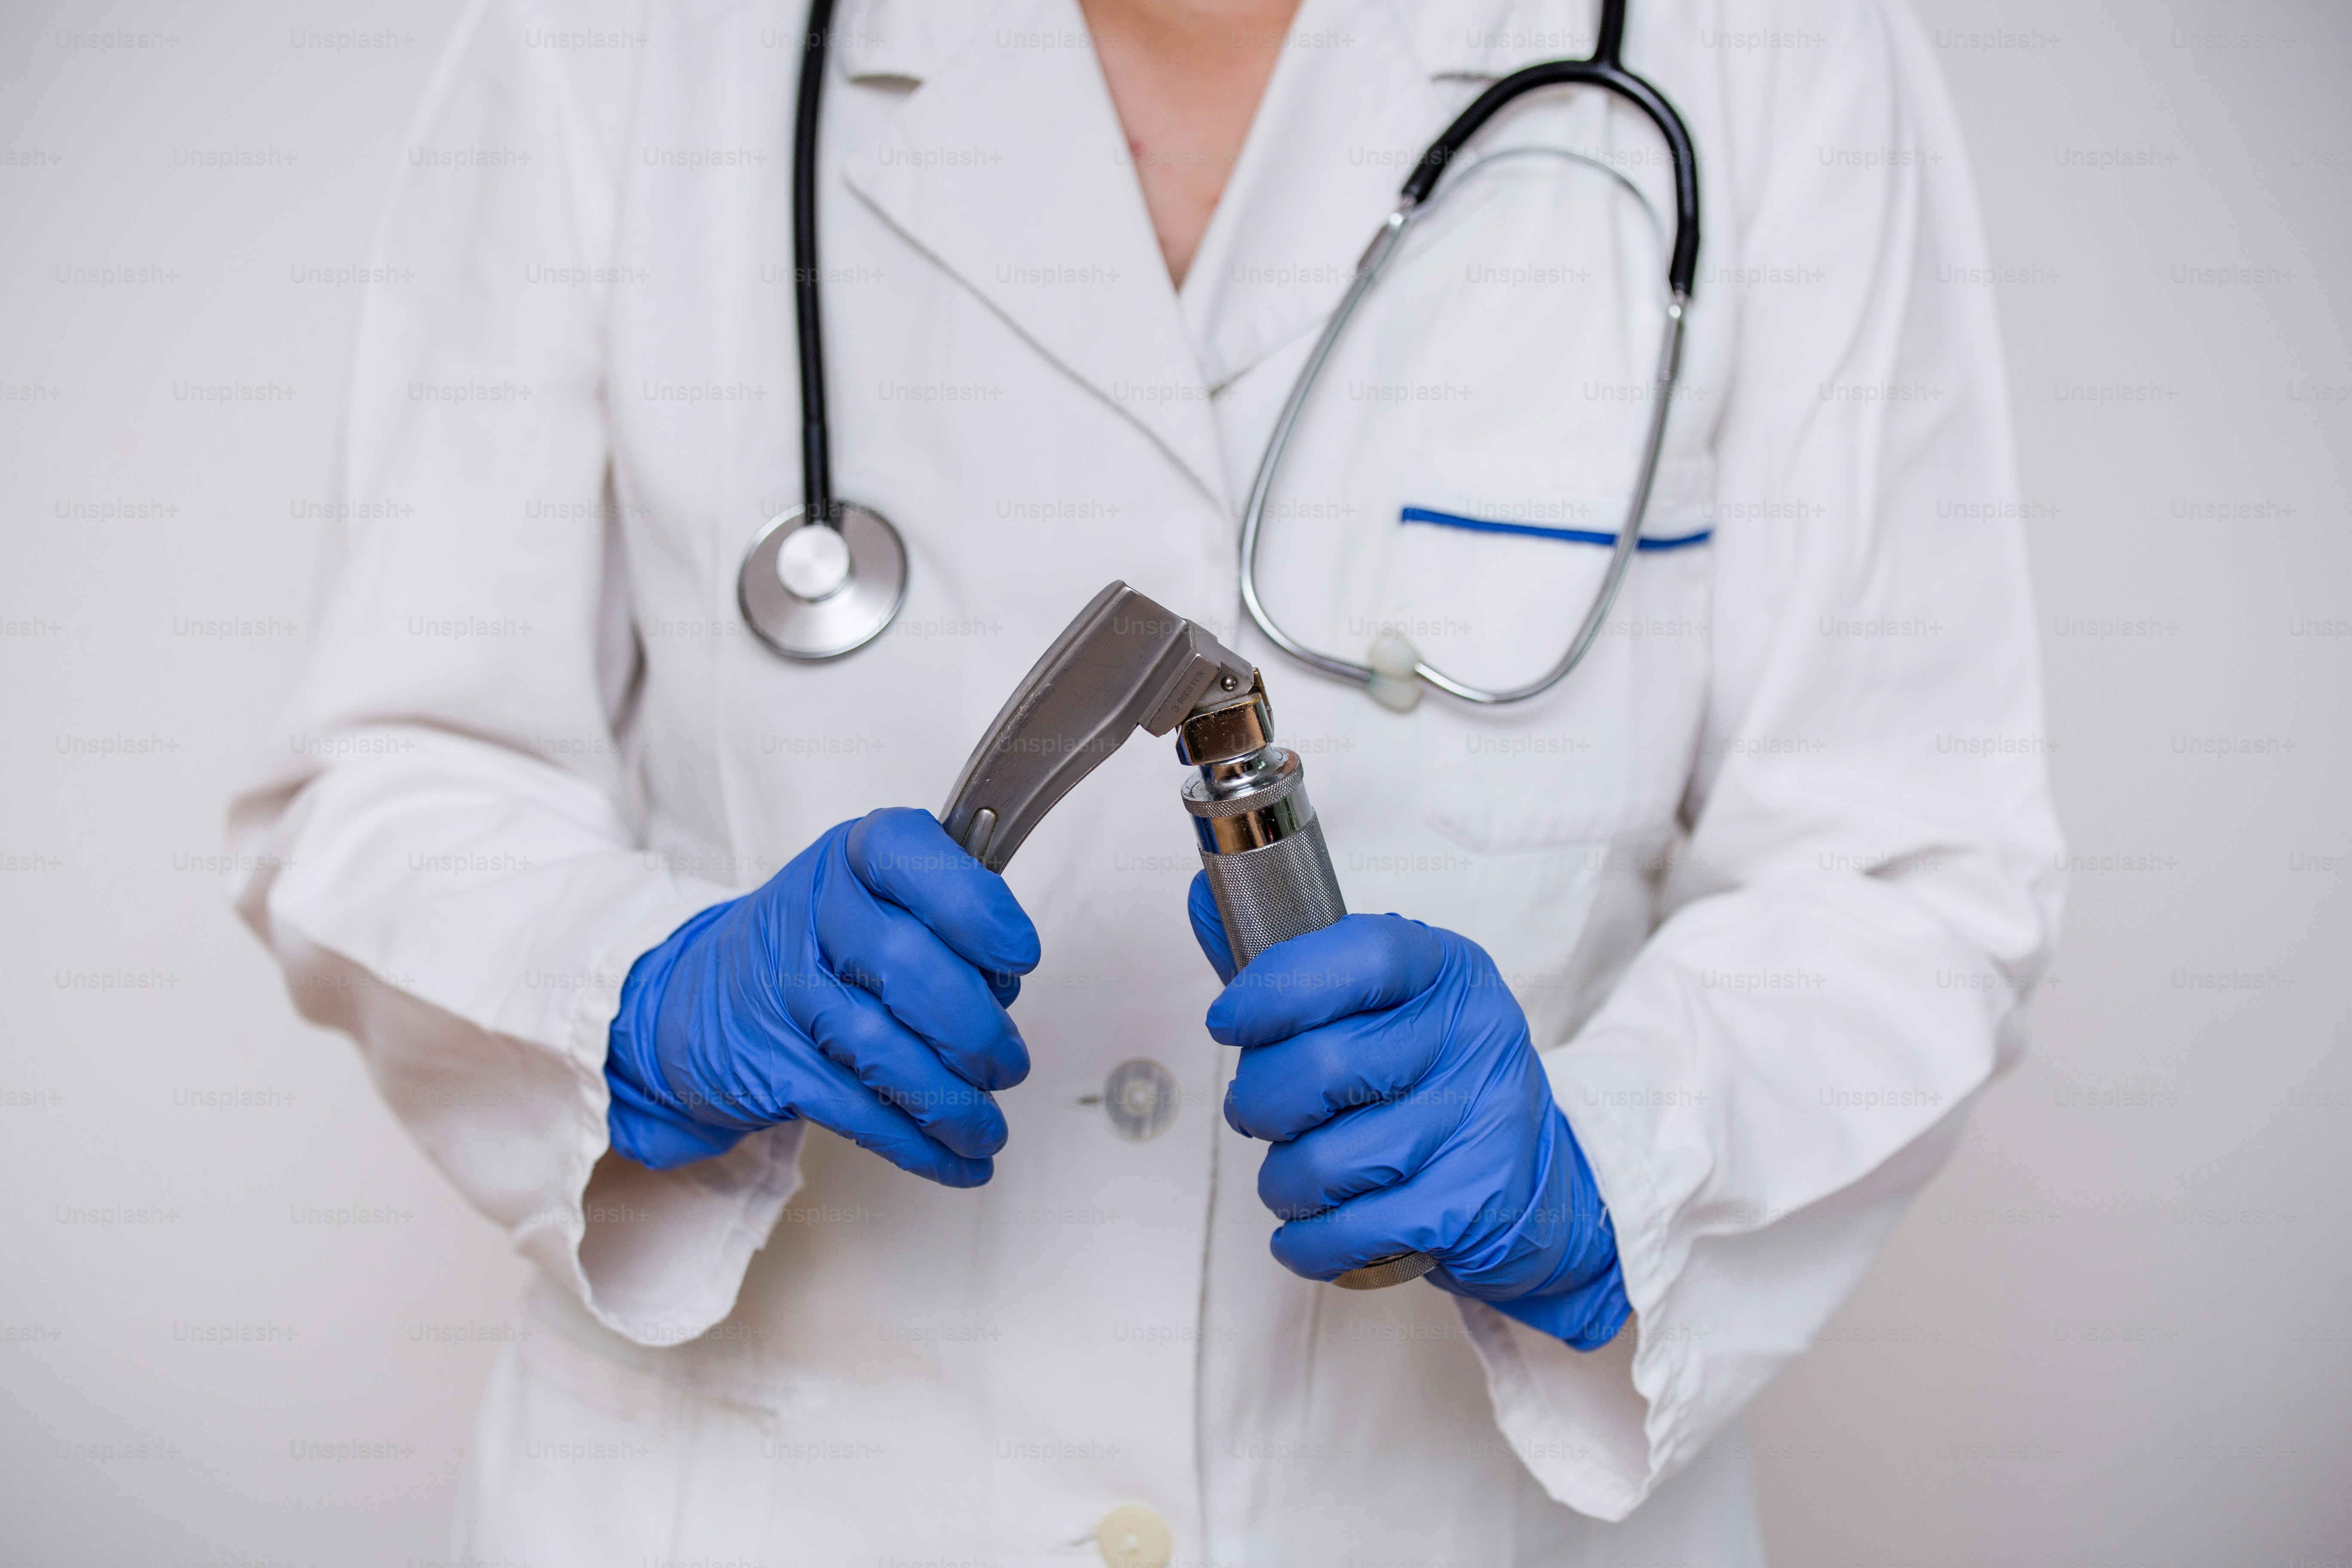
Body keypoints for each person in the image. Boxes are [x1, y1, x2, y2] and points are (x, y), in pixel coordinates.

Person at [230, 0, 2064, 1559]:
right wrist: (636, 1001)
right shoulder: (618, 44)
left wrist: (1620, 1165)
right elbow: (392, 772)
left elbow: (1910, 863)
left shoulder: (1768, 54)